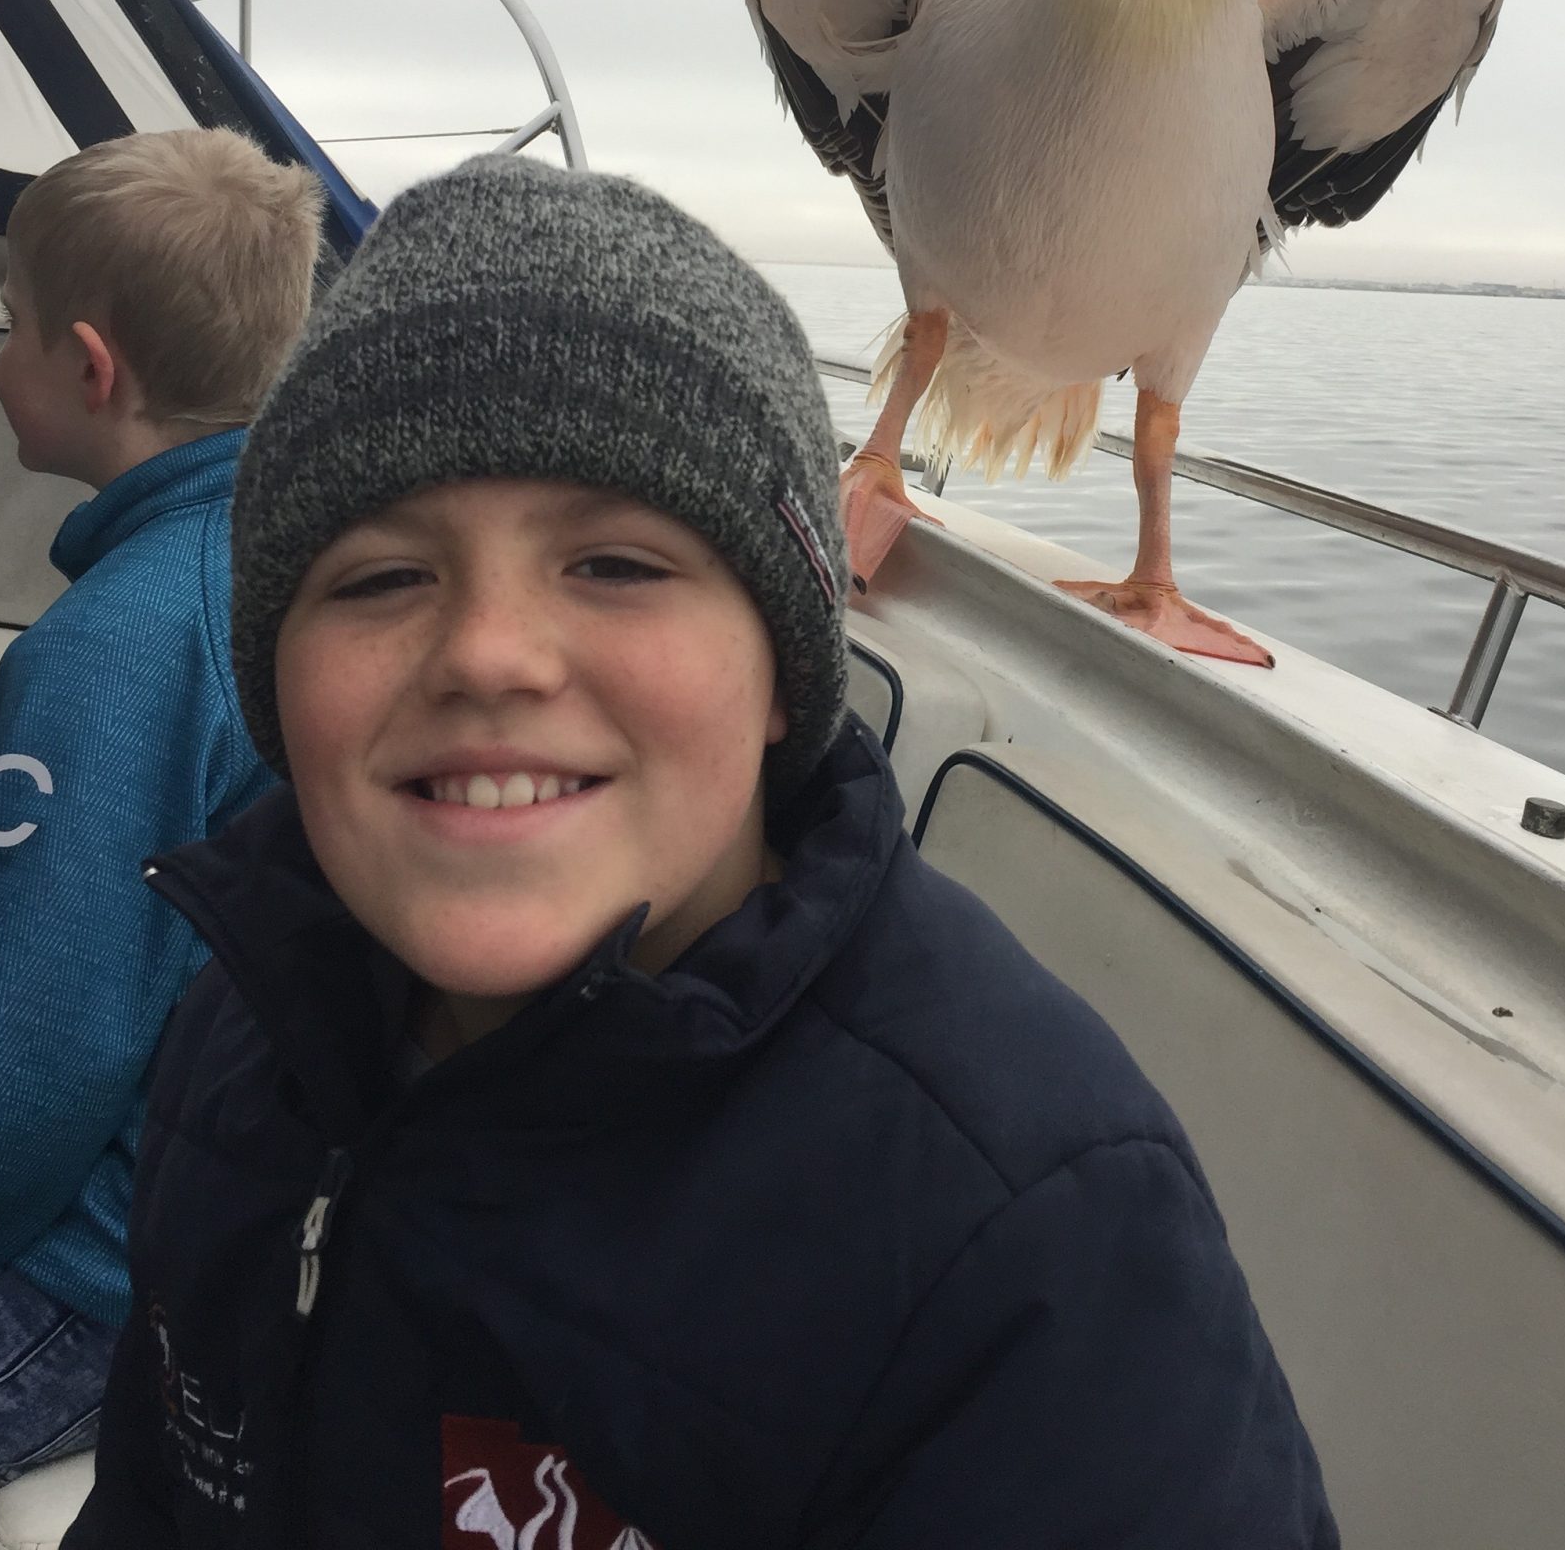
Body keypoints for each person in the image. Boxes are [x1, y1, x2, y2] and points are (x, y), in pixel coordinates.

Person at [71, 157, 1338, 1547]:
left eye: (616, 565)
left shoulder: (1034, 1246)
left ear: (786, 672)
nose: (488, 652)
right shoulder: (250, 1024)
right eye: (381, 578)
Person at [0, 128, 322, 1503]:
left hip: (73, 1277)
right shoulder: (265, 560)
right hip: (205, 1224)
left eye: (11, 326)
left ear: (87, 366)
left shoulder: (112, 652)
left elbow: (27, 1075)